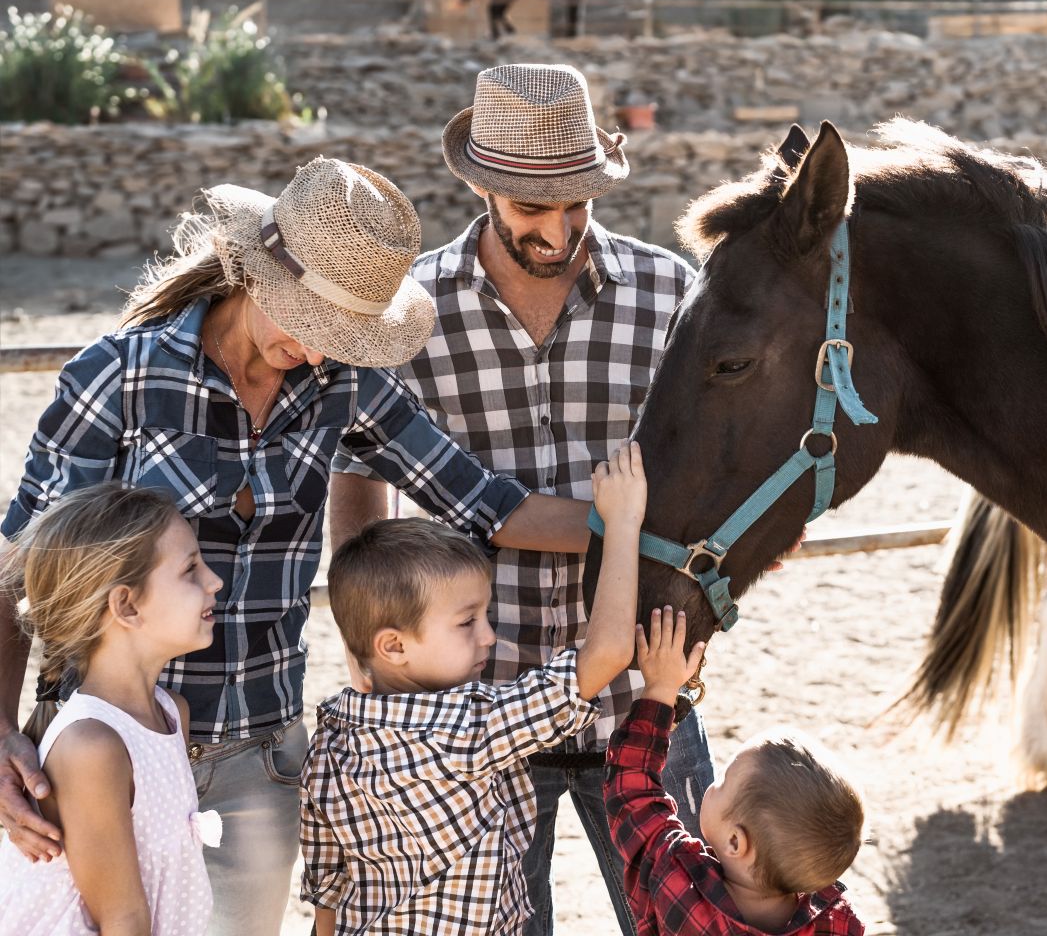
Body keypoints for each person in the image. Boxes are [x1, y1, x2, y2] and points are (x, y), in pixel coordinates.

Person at [0, 157, 590, 936]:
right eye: (308, 325)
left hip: (262, 760)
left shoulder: (340, 382)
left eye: (338, 336)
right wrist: (0, 730)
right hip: (99, 758)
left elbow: (488, 504)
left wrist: (654, 536)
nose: (317, 354)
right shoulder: (120, 379)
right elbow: (17, 571)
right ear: (258, 277)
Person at [326, 63, 712, 935]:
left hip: (647, 695)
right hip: (473, 707)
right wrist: (365, 638)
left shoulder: (671, 295)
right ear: (480, 184)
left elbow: (719, 458)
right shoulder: (407, 310)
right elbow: (358, 475)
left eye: (580, 202)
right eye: (536, 207)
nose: (562, 226)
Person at [301, 440, 649, 935]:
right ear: (394, 646)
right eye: (467, 622)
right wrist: (621, 524)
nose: (489, 635)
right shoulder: (470, 727)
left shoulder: (331, 737)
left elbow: (327, 891)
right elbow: (609, 652)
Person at [0, 482, 225, 935]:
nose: (214, 581)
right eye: (190, 569)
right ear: (126, 604)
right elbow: (122, 919)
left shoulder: (169, 712)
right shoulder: (92, 746)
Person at [604, 607, 867, 936]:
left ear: (735, 841)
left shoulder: (681, 889)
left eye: (723, 781)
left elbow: (632, 794)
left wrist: (658, 690)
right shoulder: (840, 922)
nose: (713, 784)